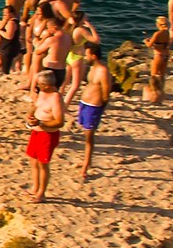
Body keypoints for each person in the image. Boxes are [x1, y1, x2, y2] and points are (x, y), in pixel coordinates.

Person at [27, 74, 67, 202]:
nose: (37, 86)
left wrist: (41, 123)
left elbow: (59, 121)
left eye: (40, 84)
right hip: (36, 131)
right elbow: (36, 106)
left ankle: (41, 193)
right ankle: (35, 187)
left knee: (42, 163)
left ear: (47, 86)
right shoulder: (42, 93)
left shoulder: (55, 98)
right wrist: (31, 115)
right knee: (33, 160)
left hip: (47, 134)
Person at [76, 44, 113, 182]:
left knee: (89, 137)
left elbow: (106, 91)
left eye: (87, 54)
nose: (85, 57)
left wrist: (102, 107)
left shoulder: (103, 71)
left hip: (94, 106)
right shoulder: (92, 68)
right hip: (85, 103)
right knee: (85, 134)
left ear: (94, 56)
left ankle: (86, 165)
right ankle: (87, 160)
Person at [144, 16, 173, 104]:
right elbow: (165, 45)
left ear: (158, 24)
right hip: (166, 55)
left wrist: (146, 41)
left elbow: (149, 45)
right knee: (162, 75)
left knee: (154, 76)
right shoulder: (167, 33)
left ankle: (154, 95)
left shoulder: (157, 33)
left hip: (158, 55)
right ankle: (161, 93)